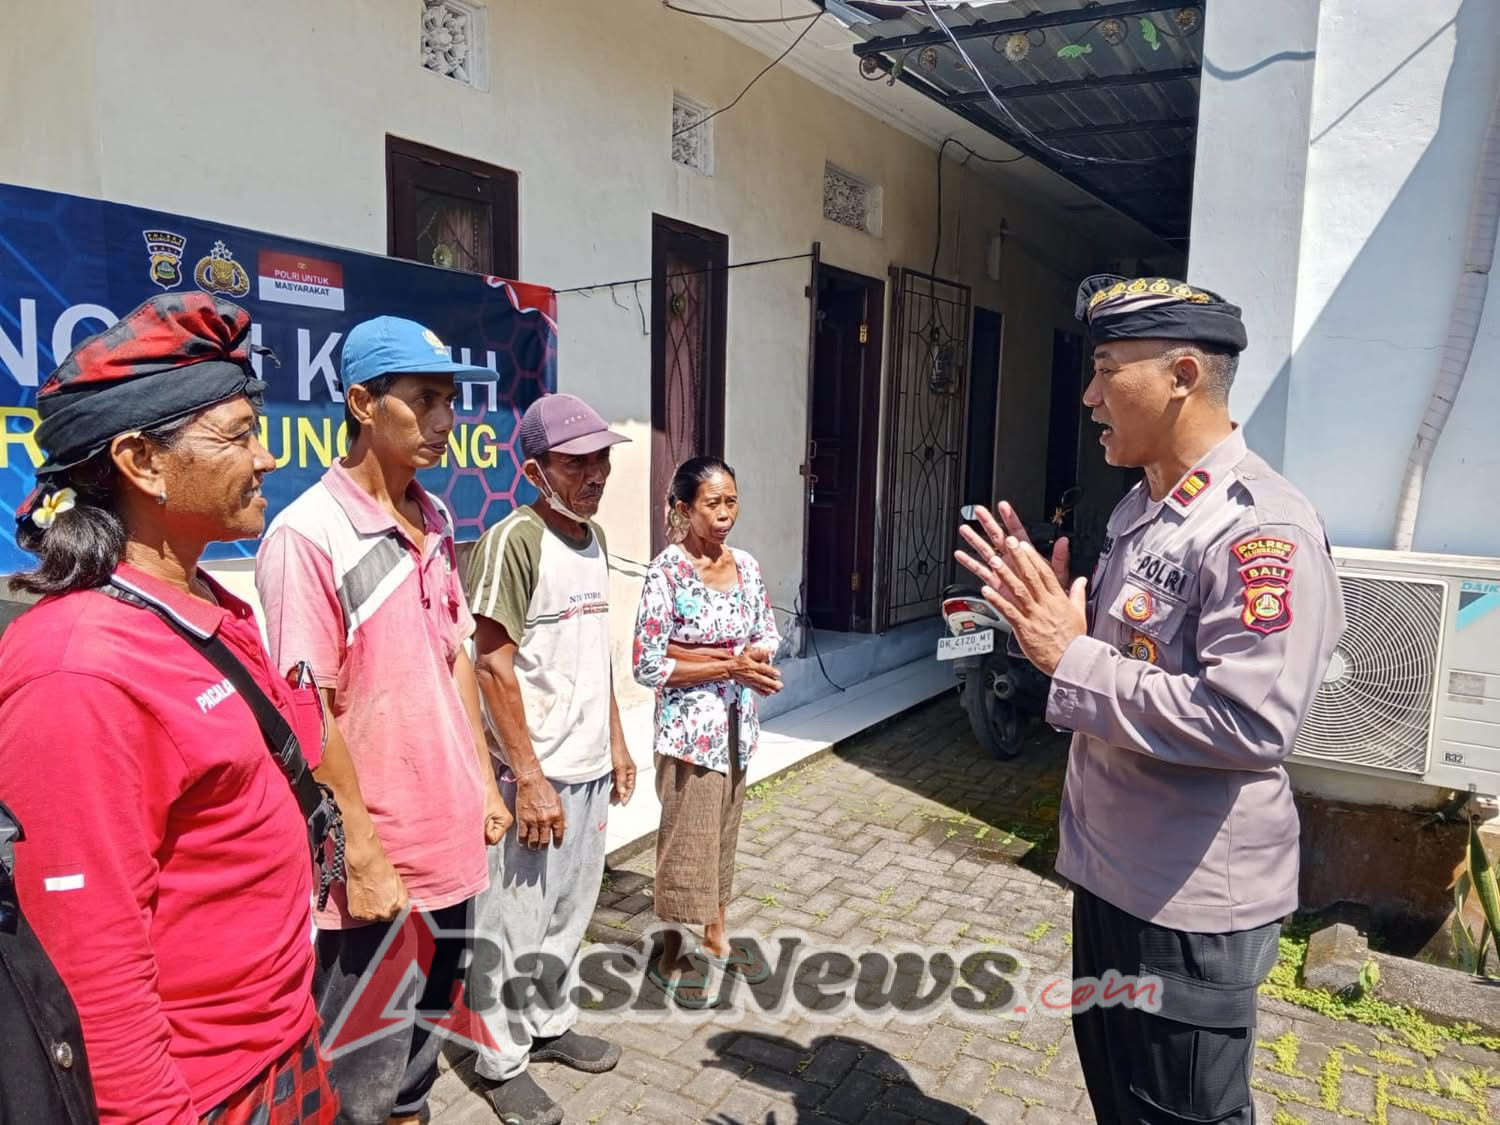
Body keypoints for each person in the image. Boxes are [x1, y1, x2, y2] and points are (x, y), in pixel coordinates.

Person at [956, 274, 1346, 1125]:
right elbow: (1119, 667)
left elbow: (1250, 720)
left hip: (1189, 902)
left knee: (1180, 1112)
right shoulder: (1145, 507)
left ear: (1180, 375)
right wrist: (1050, 634)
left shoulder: (1257, 528)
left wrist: (1075, 655)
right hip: (1112, 875)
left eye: (1106, 368)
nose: (1090, 396)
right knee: (1123, 1101)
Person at [0, 293, 336, 1122]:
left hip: (284, 1042)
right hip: (206, 1091)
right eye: (236, 436)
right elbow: (89, 963)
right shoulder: (78, 670)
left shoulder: (208, 603)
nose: (265, 458)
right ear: (141, 461)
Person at [255, 315, 511, 1124]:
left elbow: (456, 657)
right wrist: (361, 854)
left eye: (451, 401)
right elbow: (307, 712)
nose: (445, 421)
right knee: (355, 1076)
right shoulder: (308, 536)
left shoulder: (433, 518)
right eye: (425, 399)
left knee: (417, 1059)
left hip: (450, 841)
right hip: (380, 866)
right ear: (363, 402)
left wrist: (484, 781)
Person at [464, 392, 636, 1125]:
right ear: (536, 470)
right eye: (576, 462)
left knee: (570, 913)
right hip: (537, 779)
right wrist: (527, 778)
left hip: (590, 768)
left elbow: (592, 654)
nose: (595, 473)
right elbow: (491, 664)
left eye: (600, 458)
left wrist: (619, 744)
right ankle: (500, 1059)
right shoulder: (515, 540)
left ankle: (550, 1022)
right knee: (513, 925)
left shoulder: (592, 540)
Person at [632, 456, 782, 1008]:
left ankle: (716, 930)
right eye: (712, 504)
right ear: (682, 509)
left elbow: (764, 631)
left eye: (731, 502)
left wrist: (756, 660)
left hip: (738, 728)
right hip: (688, 733)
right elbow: (647, 663)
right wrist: (728, 664)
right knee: (683, 844)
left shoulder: (746, 565)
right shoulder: (666, 572)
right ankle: (669, 949)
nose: (724, 515)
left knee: (722, 834)